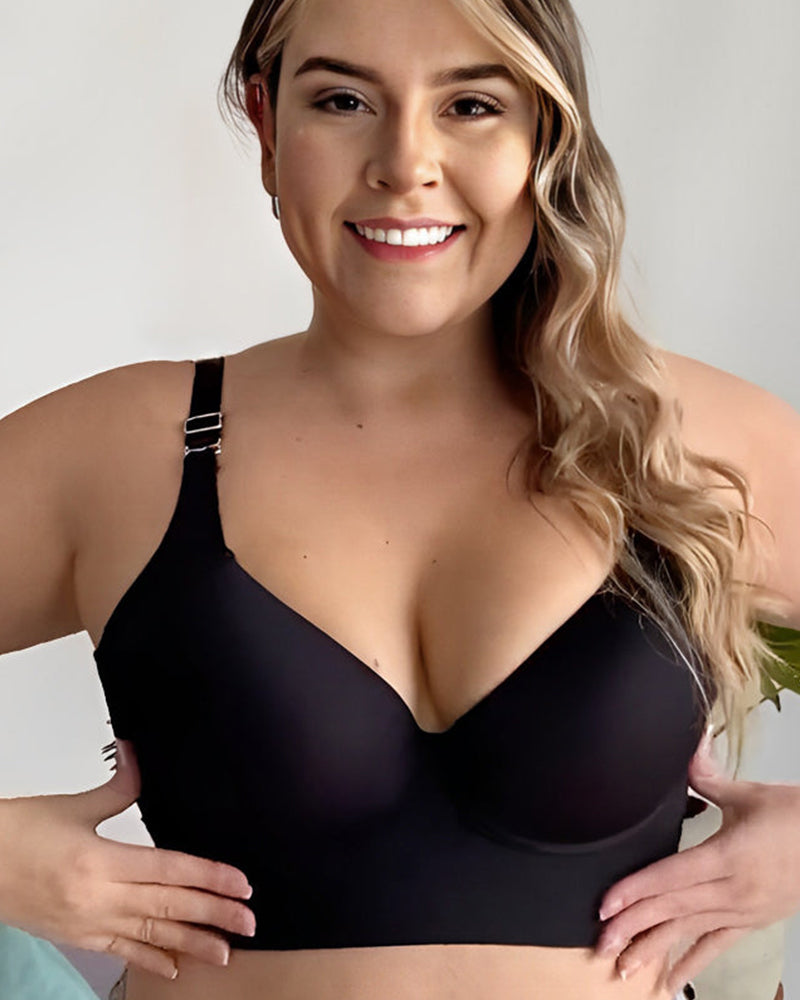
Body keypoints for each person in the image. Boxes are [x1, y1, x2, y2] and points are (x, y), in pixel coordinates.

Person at [0, 0, 798, 999]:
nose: (405, 164)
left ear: (544, 136)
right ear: (265, 124)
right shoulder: (121, 449)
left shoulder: (699, 439)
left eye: (470, 105)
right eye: (342, 101)